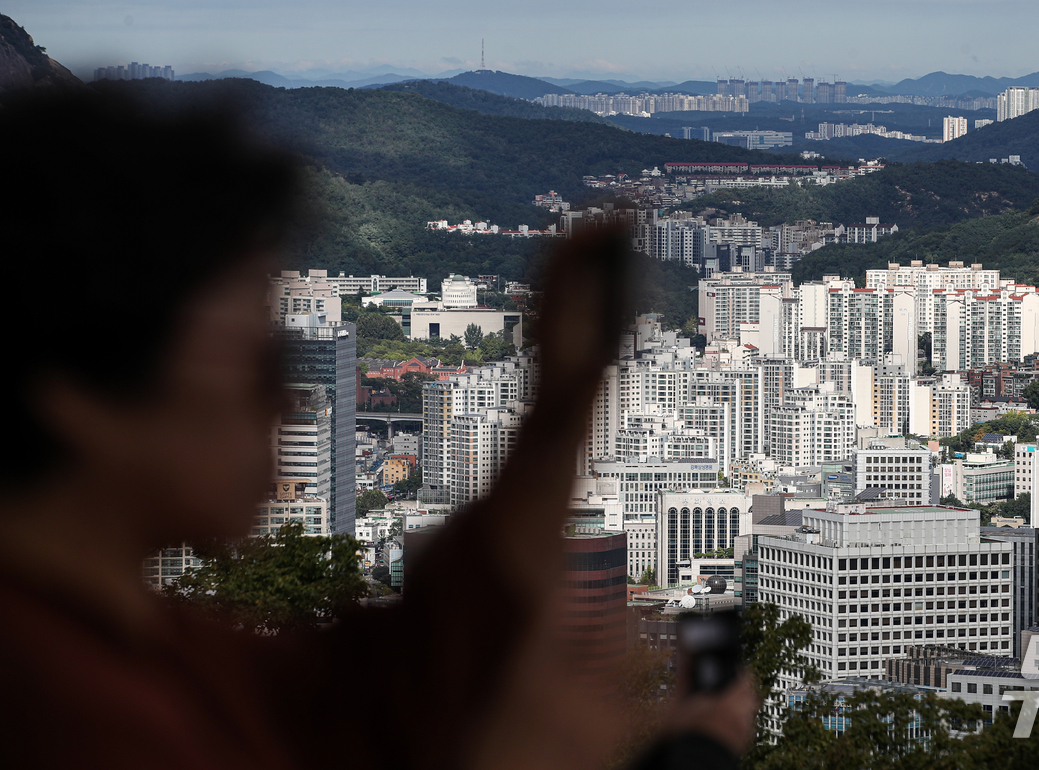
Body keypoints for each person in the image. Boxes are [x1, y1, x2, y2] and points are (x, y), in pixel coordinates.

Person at [0, 86, 755, 767]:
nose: (286, 405)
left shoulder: (142, 642)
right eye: (256, 364)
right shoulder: (71, 716)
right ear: (78, 390)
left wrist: (560, 404)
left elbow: (376, 682)